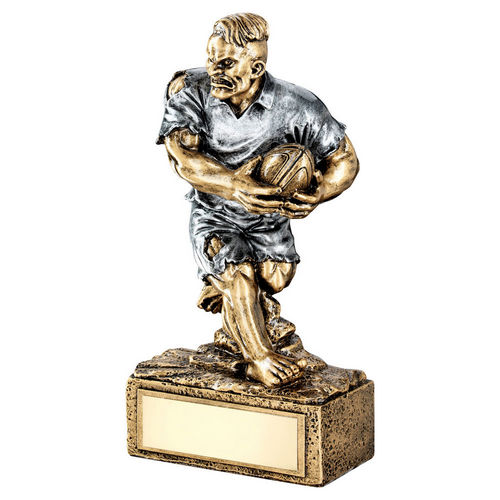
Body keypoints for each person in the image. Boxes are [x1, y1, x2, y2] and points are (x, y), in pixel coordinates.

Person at [157, 13, 359, 388]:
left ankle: (227, 297)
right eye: (210, 58)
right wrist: (233, 185)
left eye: (226, 63)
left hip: (268, 217)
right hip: (215, 213)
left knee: (275, 278)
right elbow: (182, 158)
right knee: (239, 274)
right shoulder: (189, 90)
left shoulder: (298, 105)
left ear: (256, 68)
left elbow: (344, 159)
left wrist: (319, 192)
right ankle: (258, 357)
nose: (213, 70)